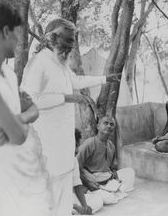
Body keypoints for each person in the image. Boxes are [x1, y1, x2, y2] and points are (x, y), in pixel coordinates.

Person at [20, 18, 120, 216]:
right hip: (47, 149)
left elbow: (76, 80)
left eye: (72, 42)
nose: (71, 47)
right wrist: (65, 97)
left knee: (63, 202)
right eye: (67, 41)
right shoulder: (39, 63)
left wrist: (104, 79)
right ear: (51, 38)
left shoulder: (60, 63)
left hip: (63, 150)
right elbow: (28, 100)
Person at [0, 0, 51, 216]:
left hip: (22, 181)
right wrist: (19, 127)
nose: (20, 39)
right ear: (6, 31)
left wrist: (19, 120)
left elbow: (33, 109)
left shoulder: (9, 74)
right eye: (17, 32)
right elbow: (18, 136)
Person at [77, 116, 135, 205]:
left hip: (108, 179)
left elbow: (113, 167)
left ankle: (110, 191)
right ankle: (95, 192)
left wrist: (116, 178)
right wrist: (88, 183)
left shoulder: (111, 145)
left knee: (130, 172)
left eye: (112, 124)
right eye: (106, 123)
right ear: (98, 126)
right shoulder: (89, 143)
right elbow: (76, 166)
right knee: (110, 199)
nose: (109, 126)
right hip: (93, 181)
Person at [73, 129, 103, 215]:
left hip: (73, 196)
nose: (77, 150)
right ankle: (72, 209)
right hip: (59, 198)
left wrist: (84, 206)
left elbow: (77, 184)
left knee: (98, 201)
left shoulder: (73, 159)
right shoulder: (89, 144)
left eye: (77, 146)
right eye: (75, 146)